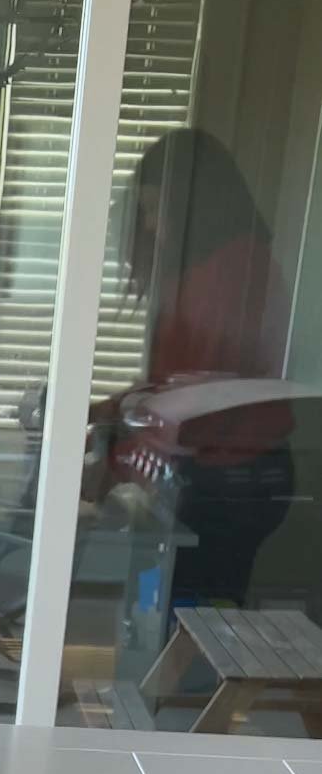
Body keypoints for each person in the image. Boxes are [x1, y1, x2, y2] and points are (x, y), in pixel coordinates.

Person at [95, 127, 294, 609]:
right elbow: (181, 383)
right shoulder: (225, 265)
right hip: (233, 468)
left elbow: (199, 394)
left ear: (189, 203)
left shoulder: (230, 271)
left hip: (230, 475)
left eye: (152, 208)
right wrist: (110, 411)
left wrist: (115, 451)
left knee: (186, 615)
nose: (149, 225)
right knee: (180, 610)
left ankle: (185, 683)